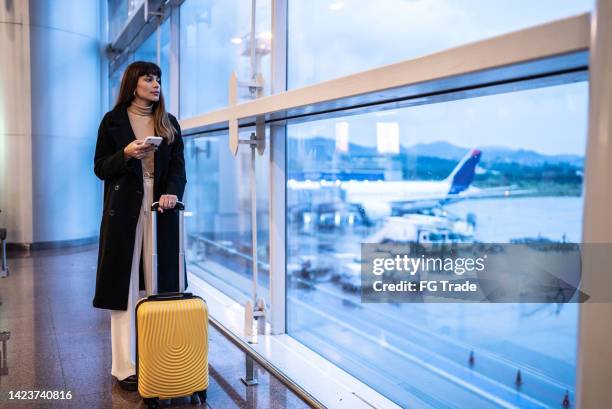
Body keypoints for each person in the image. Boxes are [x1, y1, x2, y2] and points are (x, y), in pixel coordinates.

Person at [92, 61, 186, 391]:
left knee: (161, 285)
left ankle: (162, 356)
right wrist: (128, 153)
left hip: (160, 207)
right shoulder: (113, 120)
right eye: (149, 78)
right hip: (125, 209)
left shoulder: (168, 122)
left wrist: (171, 191)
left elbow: (178, 167)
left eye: (158, 78)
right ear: (134, 83)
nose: (156, 83)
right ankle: (124, 367)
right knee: (124, 288)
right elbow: (100, 167)